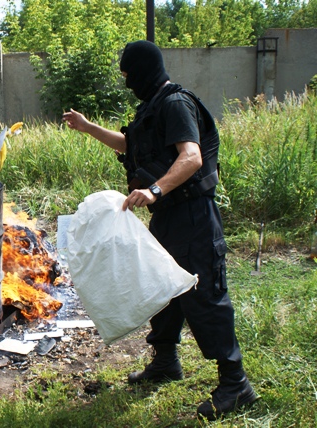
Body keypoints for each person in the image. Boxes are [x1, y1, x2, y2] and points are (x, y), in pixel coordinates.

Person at [62, 40, 258, 421]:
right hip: (167, 216)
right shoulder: (151, 108)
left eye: (127, 75)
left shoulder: (175, 104)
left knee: (205, 296)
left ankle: (236, 384)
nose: (126, 82)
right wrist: (87, 127)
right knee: (162, 290)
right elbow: (129, 144)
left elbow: (192, 156)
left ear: (143, 71)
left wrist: (154, 189)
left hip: (194, 216)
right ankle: (166, 362)